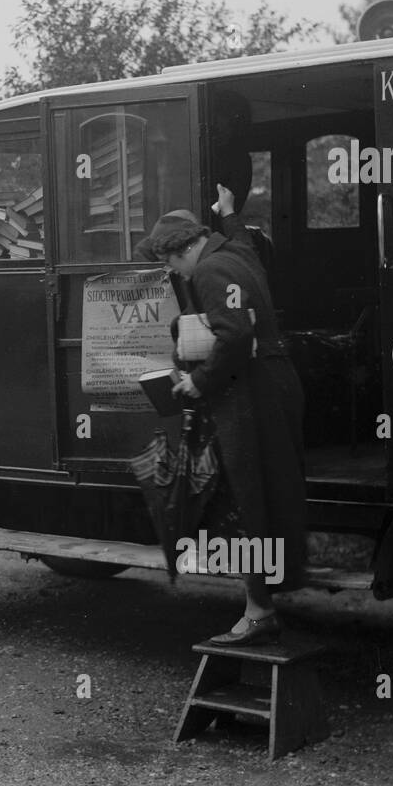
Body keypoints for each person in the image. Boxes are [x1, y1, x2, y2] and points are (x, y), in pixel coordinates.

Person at [136, 184, 307, 646]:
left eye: (170, 262)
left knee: (244, 496)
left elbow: (231, 336)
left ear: (183, 250)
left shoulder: (209, 271)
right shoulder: (236, 253)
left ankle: (258, 611)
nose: (173, 272)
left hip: (247, 394)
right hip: (276, 383)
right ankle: (267, 598)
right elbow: (242, 238)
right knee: (271, 493)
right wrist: (229, 213)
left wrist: (198, 381)